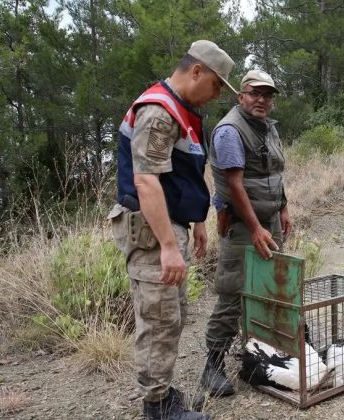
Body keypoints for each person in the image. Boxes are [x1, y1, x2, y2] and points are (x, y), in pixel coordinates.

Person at [107, 40, 234, 420]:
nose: (215, 96)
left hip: (169, 226)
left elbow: (184, 175)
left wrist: (196, 222)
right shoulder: (159, 112)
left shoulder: (183, 111)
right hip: (150, 232)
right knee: (159, 319)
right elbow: (146, 183)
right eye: (215, 85)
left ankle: (163, 393)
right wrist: (167, 245)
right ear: (197, 71)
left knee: (172, 313)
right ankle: (157, 407)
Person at [200, 69, 291, 397]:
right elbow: (234, 185)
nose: (262, 100)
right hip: (243, 226)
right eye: (255, 93)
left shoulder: (267, 128)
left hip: (269, 221)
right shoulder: (230, 131)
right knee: (233, 294)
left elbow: (275, 172)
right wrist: (254, 228)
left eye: (267, 95)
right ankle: (212, 366)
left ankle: (259, 357)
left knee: (271, 287)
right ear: (241, 96)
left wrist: (283, 206)